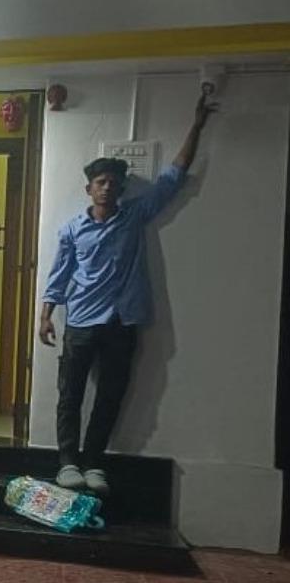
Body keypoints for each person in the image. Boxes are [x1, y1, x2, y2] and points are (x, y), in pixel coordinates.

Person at [39, 94, 217, 495]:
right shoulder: (72, 230)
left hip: (122, 322)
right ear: (89, 188)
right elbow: (59, 274)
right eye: (100, 182)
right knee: (70, 395)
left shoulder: (134, 215)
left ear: (120, 188)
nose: (107, 187)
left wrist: (197, 126)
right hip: (80, 322)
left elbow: (173, 176)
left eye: (113, 183)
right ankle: (67, 462)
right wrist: (46, 314)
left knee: (111, 396)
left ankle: (93, 463)